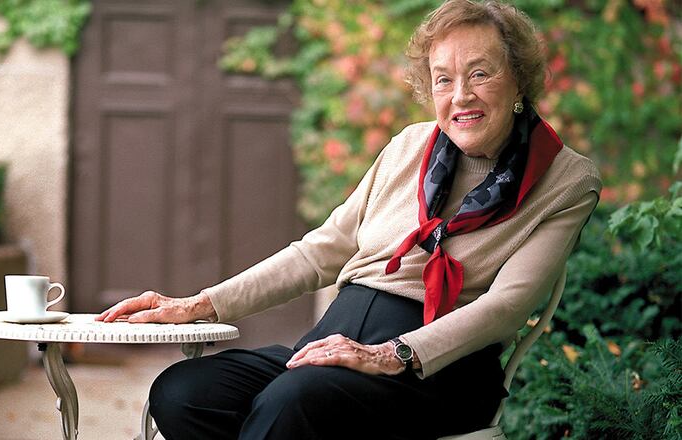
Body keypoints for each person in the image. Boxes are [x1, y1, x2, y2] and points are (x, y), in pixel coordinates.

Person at [96, 0, 601, 438]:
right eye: (443, 78)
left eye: (481, 73)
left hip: (437, 369)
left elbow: (508, 305)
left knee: (292, 403)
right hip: (335, 343)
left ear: (519, 80)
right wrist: (201, 304)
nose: (460, 95)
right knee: (185, 392)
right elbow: (321, 251)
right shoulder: (409, 146)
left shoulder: (566, 180)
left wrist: (390, 355)